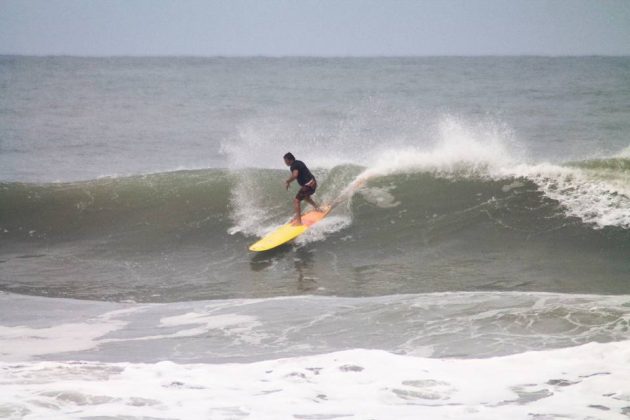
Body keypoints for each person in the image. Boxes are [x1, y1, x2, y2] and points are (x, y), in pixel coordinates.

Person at [283, 152, 322, 225]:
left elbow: (295, 175)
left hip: (308, 185)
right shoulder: (299, 162)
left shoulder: (293, 165)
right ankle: (317, 208)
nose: (285, 163)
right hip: (313, 183)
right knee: (305, 197)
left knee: (296, 201)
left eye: (285, 161)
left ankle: (299, 222)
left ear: (289, 160)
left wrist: (287, 181)